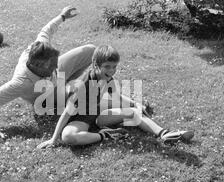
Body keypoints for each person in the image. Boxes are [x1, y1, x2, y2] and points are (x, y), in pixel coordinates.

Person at [37, 45, 194, 149]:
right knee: (68, 137)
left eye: (114, 67)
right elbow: (66, 113)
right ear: (95, 66)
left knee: (133, 112)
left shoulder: (107, 78)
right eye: (107, 67)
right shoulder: (82, 85)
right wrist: (53, 139)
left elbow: (117, 96)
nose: (111, 71)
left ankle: (164, 134)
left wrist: (136, 104)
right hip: (80, 119)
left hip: (98, 116)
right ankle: (105, 135)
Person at [0, 6, 96, 143]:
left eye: (55, 62)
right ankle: (69, 89)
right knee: (82, 91)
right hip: (46, 95)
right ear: (37, 65)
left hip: (52, 78)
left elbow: (46, 30)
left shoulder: (39, 46)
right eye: (51, 65)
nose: (55, 66)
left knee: (91, 50)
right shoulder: (22, 82)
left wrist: (62, 16)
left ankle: (68, 83)